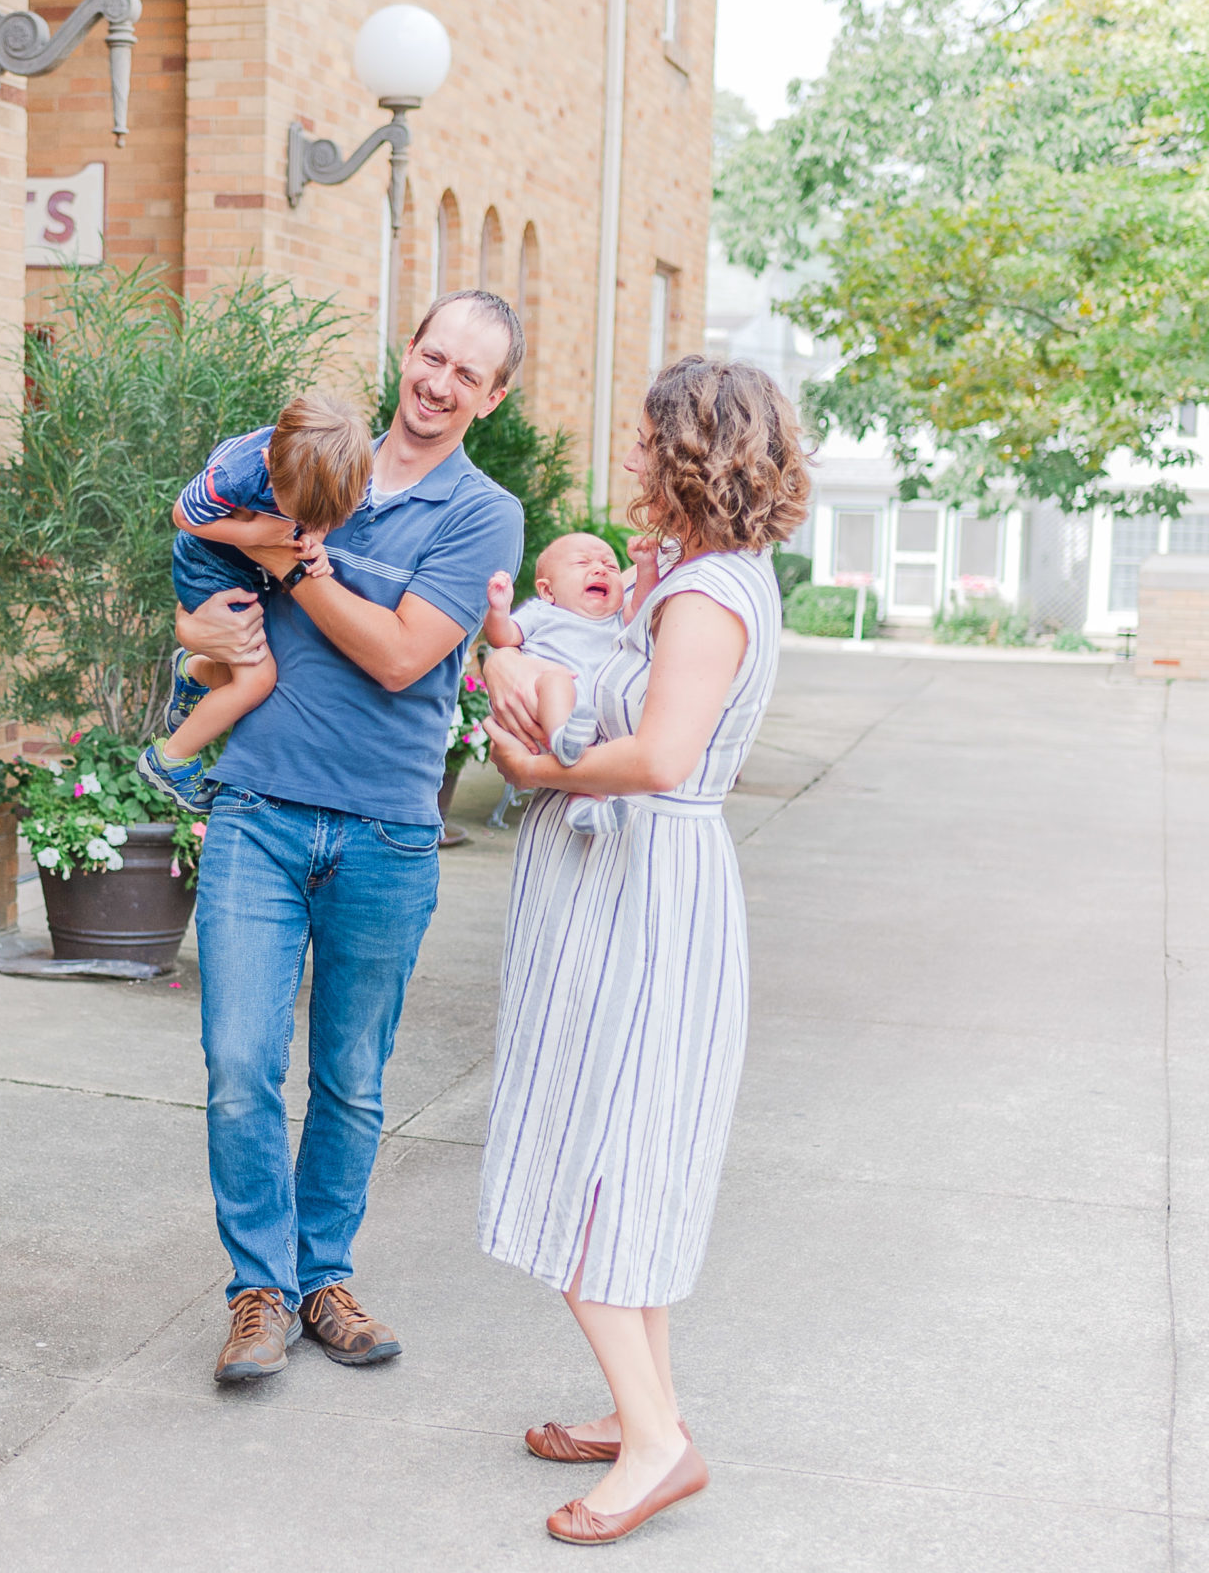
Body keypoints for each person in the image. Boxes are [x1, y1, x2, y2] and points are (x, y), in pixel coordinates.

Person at [475, 356, 812, 1545]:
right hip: (620, 883)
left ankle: (659, 1444)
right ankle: (640, 1407)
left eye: (645, 445)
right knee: (626, 1158)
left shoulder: (707, 595)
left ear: (690, 458)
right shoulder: (687, 579)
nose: (628, 463)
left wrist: (537, 767)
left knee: (596, 1160)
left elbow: (662, 755)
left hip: (643, 888)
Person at [174, 291, 527, 1384]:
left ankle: (324, 1276)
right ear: (404, 351)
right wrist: (198, 631)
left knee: (350, 1076)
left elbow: (397, 656)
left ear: (494, 395)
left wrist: (293, 563)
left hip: (385, 830)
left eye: (468, 374)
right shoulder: (309, 462)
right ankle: (257, 1292)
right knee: (239, 1063)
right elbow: (201, 593)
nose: (438, 383)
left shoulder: (483, 515)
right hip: (260, 811)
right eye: (431, 356)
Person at [138, 391, 375, 811]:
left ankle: (194, 671)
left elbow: (325, 518)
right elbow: (184, 516)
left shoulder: (349, 474)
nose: (303, 521)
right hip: (208, 561)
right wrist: (255, 536)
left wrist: (314, 540)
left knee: (241, 677)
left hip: (252, 569)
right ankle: (170, 760)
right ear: (269, 464)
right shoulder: (237, 473)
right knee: (257, 680)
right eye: (297, 511)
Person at [479, 531, 640, 768]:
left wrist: (646, 568)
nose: (600, 570)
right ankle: (560, 741)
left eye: (611, 566)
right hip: (540, 713)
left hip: (588, 728)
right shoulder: (542, 612)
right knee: (557, 678)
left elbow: (639, 607)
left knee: (585, 786)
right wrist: (499, 611)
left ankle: (581, 794)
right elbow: (502, 638)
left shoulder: (618, 618)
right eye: (582, 563)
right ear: (548, 591)